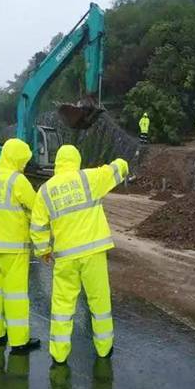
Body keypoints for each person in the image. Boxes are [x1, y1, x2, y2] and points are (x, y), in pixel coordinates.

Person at [30, 145, 129, 364]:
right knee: (99, 303)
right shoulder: (89, 178)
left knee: (62, 306)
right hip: (93, 253)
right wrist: (124, 164)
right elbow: (116, 168)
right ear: (77, 159)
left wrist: (44, 250)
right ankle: (104, 349)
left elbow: (38, 226)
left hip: (65, 257)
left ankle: (59, 354)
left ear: (57, 162)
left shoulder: (45, 190)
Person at [0, 138, 40, 353]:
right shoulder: (18, 181)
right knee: (16, 295)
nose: (24, 164)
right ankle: (18, 342)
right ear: (16, 157)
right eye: (23, 160)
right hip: (14, 247)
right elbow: (36, 207)